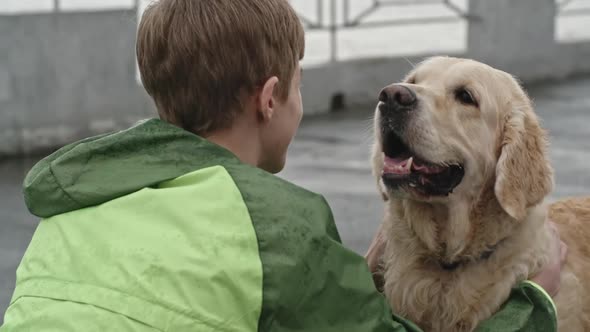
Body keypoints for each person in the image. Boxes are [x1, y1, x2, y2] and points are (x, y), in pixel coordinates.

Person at [1, 0, 565, 331]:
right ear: (270, 100)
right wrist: (535, 303)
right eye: (300, 85)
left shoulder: (71, 201)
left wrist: (351, 271)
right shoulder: (279, 231)